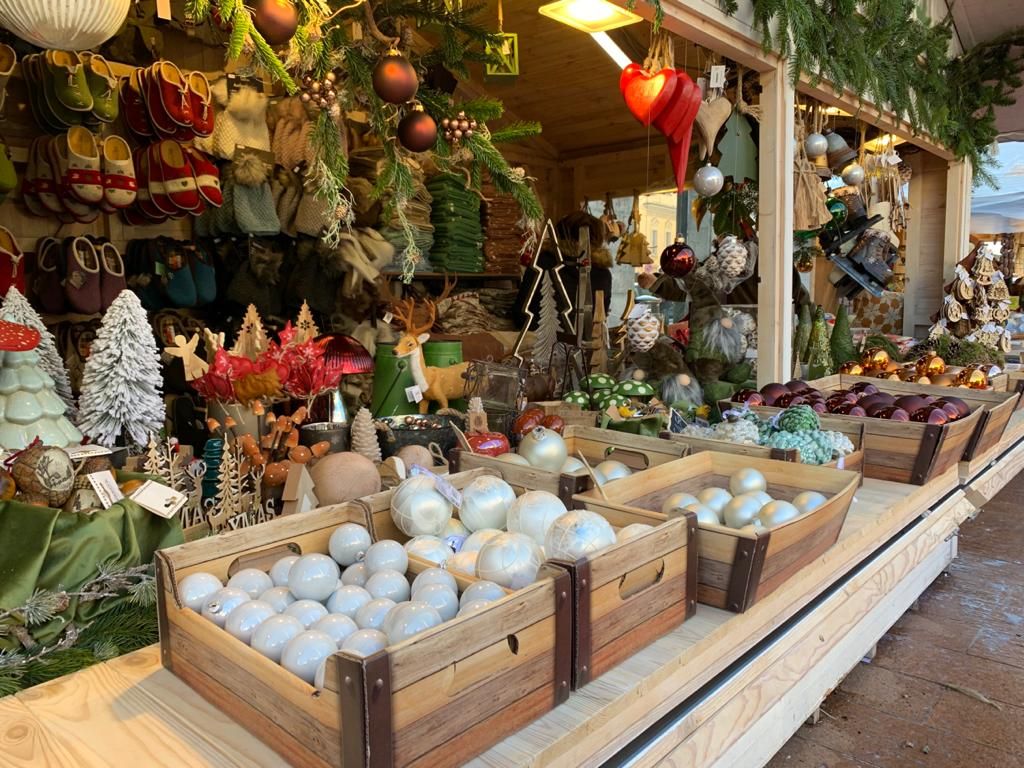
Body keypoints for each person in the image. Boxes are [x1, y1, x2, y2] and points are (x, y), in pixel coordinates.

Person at [513, 211, 612, 330]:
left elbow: (521, 312)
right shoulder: (603, 273)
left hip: (538, 338)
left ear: (558, 233)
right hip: (585, 339)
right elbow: (601, 317)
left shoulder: (543, 262)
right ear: (597, 238)